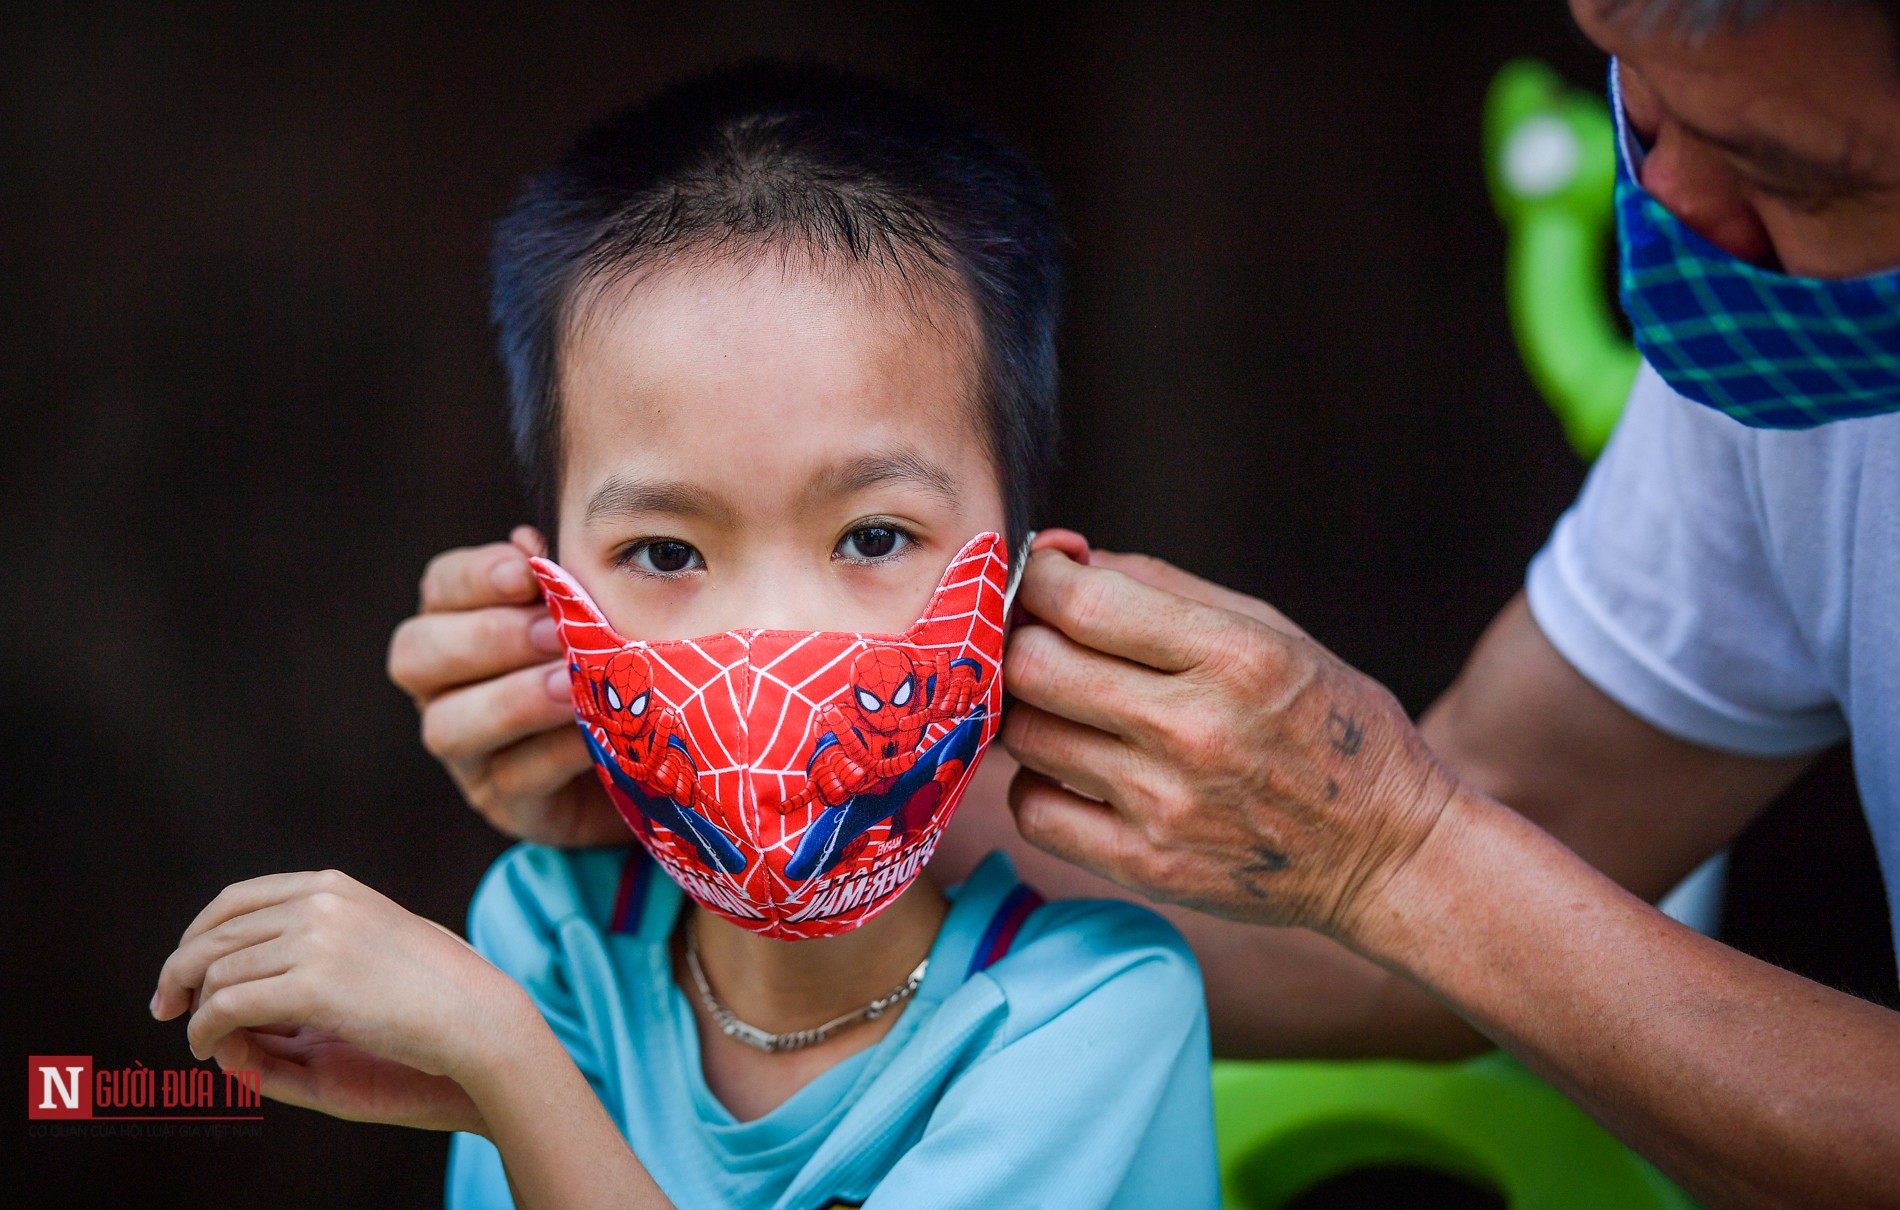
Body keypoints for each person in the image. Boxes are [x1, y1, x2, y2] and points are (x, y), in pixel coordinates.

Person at [156, 63, 1217, 1209]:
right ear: (544, 598)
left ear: (1018, 591)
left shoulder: (1094, 1011)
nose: (767, 635)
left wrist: (509, 1062)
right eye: (665, 553)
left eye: (870, 536)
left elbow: (507, 1065)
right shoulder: (550, 933)